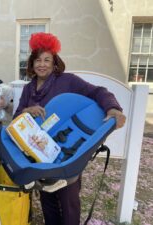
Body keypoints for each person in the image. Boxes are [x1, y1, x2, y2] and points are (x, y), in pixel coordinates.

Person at [14, 32, 126, 225]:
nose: (42, 64)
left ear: (55, 62)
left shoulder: (68, 81)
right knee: (46, 197)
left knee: (69, 200)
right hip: (39, 153)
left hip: (68, 153)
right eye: (38, 60)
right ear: (32, 64)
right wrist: (26, 111)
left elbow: (97, 92)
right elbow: (17, 118)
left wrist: (113, 108)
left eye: (47, 59)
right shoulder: (27, 89)